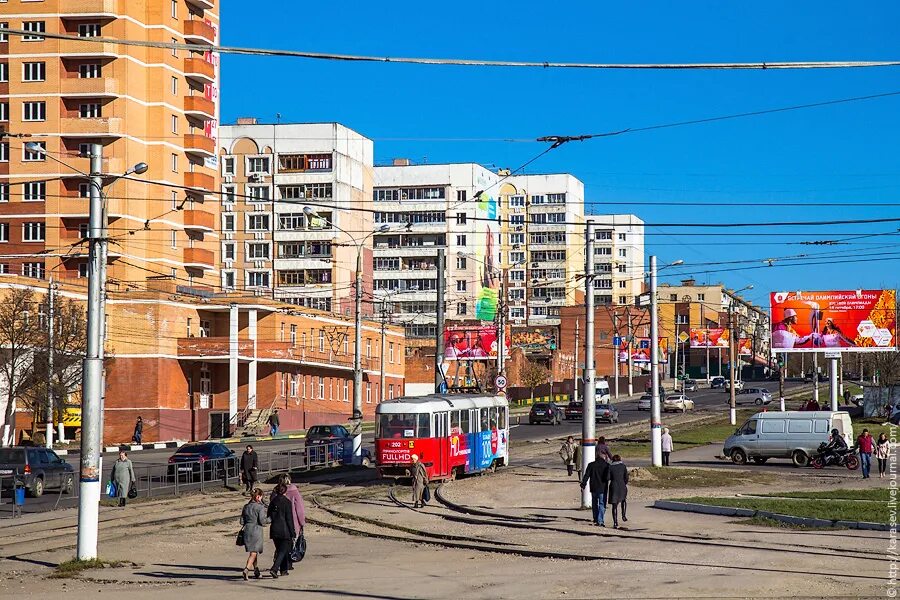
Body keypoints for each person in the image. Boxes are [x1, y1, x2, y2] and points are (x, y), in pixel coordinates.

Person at [271, 473, 306, 572]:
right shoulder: (294, 490)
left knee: (282, 544)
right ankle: (286, 564)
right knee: (289, 543)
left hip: (277, 522)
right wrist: (302, 521)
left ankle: (285, 565)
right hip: (292, 520)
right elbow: (299, 508)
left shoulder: (275, 490)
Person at [267, 483, 296, 578]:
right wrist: (293, 532)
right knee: (283, 551)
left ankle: (284, 570)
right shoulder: (287, 502)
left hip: (274, 529)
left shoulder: (273, 501)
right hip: (284, 530)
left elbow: (268, 515)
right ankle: (274, 569)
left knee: (280, 550)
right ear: (285, 491)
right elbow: (289, 519)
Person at [240, 488, 269, 580]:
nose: (262, 498)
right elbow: (262, 521)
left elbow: (241, 521)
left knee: (254, 551)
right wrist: (270, 519)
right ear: (258, 496)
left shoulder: (246, 506)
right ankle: (247, 569)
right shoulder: (260, 507)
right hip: (256, 531)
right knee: (253, 553)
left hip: (247, 530)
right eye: (261, 497)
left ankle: (256, 571)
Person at [580, 455, 610, 526]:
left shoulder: (591, 465)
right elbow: (608, 477)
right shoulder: (606, 465)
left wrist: (583, 485)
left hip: (593, 487)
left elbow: (586, 475)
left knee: (594, 503)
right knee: (602, 504)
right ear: (604, 458)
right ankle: (600, 520)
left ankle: (595, 518)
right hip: (603, 488)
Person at [607, 455, 629, 529]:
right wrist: (624, 483)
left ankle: (615, 522)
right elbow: (626, 477)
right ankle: (623, 515)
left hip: (614, 487)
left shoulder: (610, 467)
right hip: (622, 486)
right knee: (623, 500)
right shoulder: (623, 466)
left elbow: (608, 477)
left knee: (614, 505)